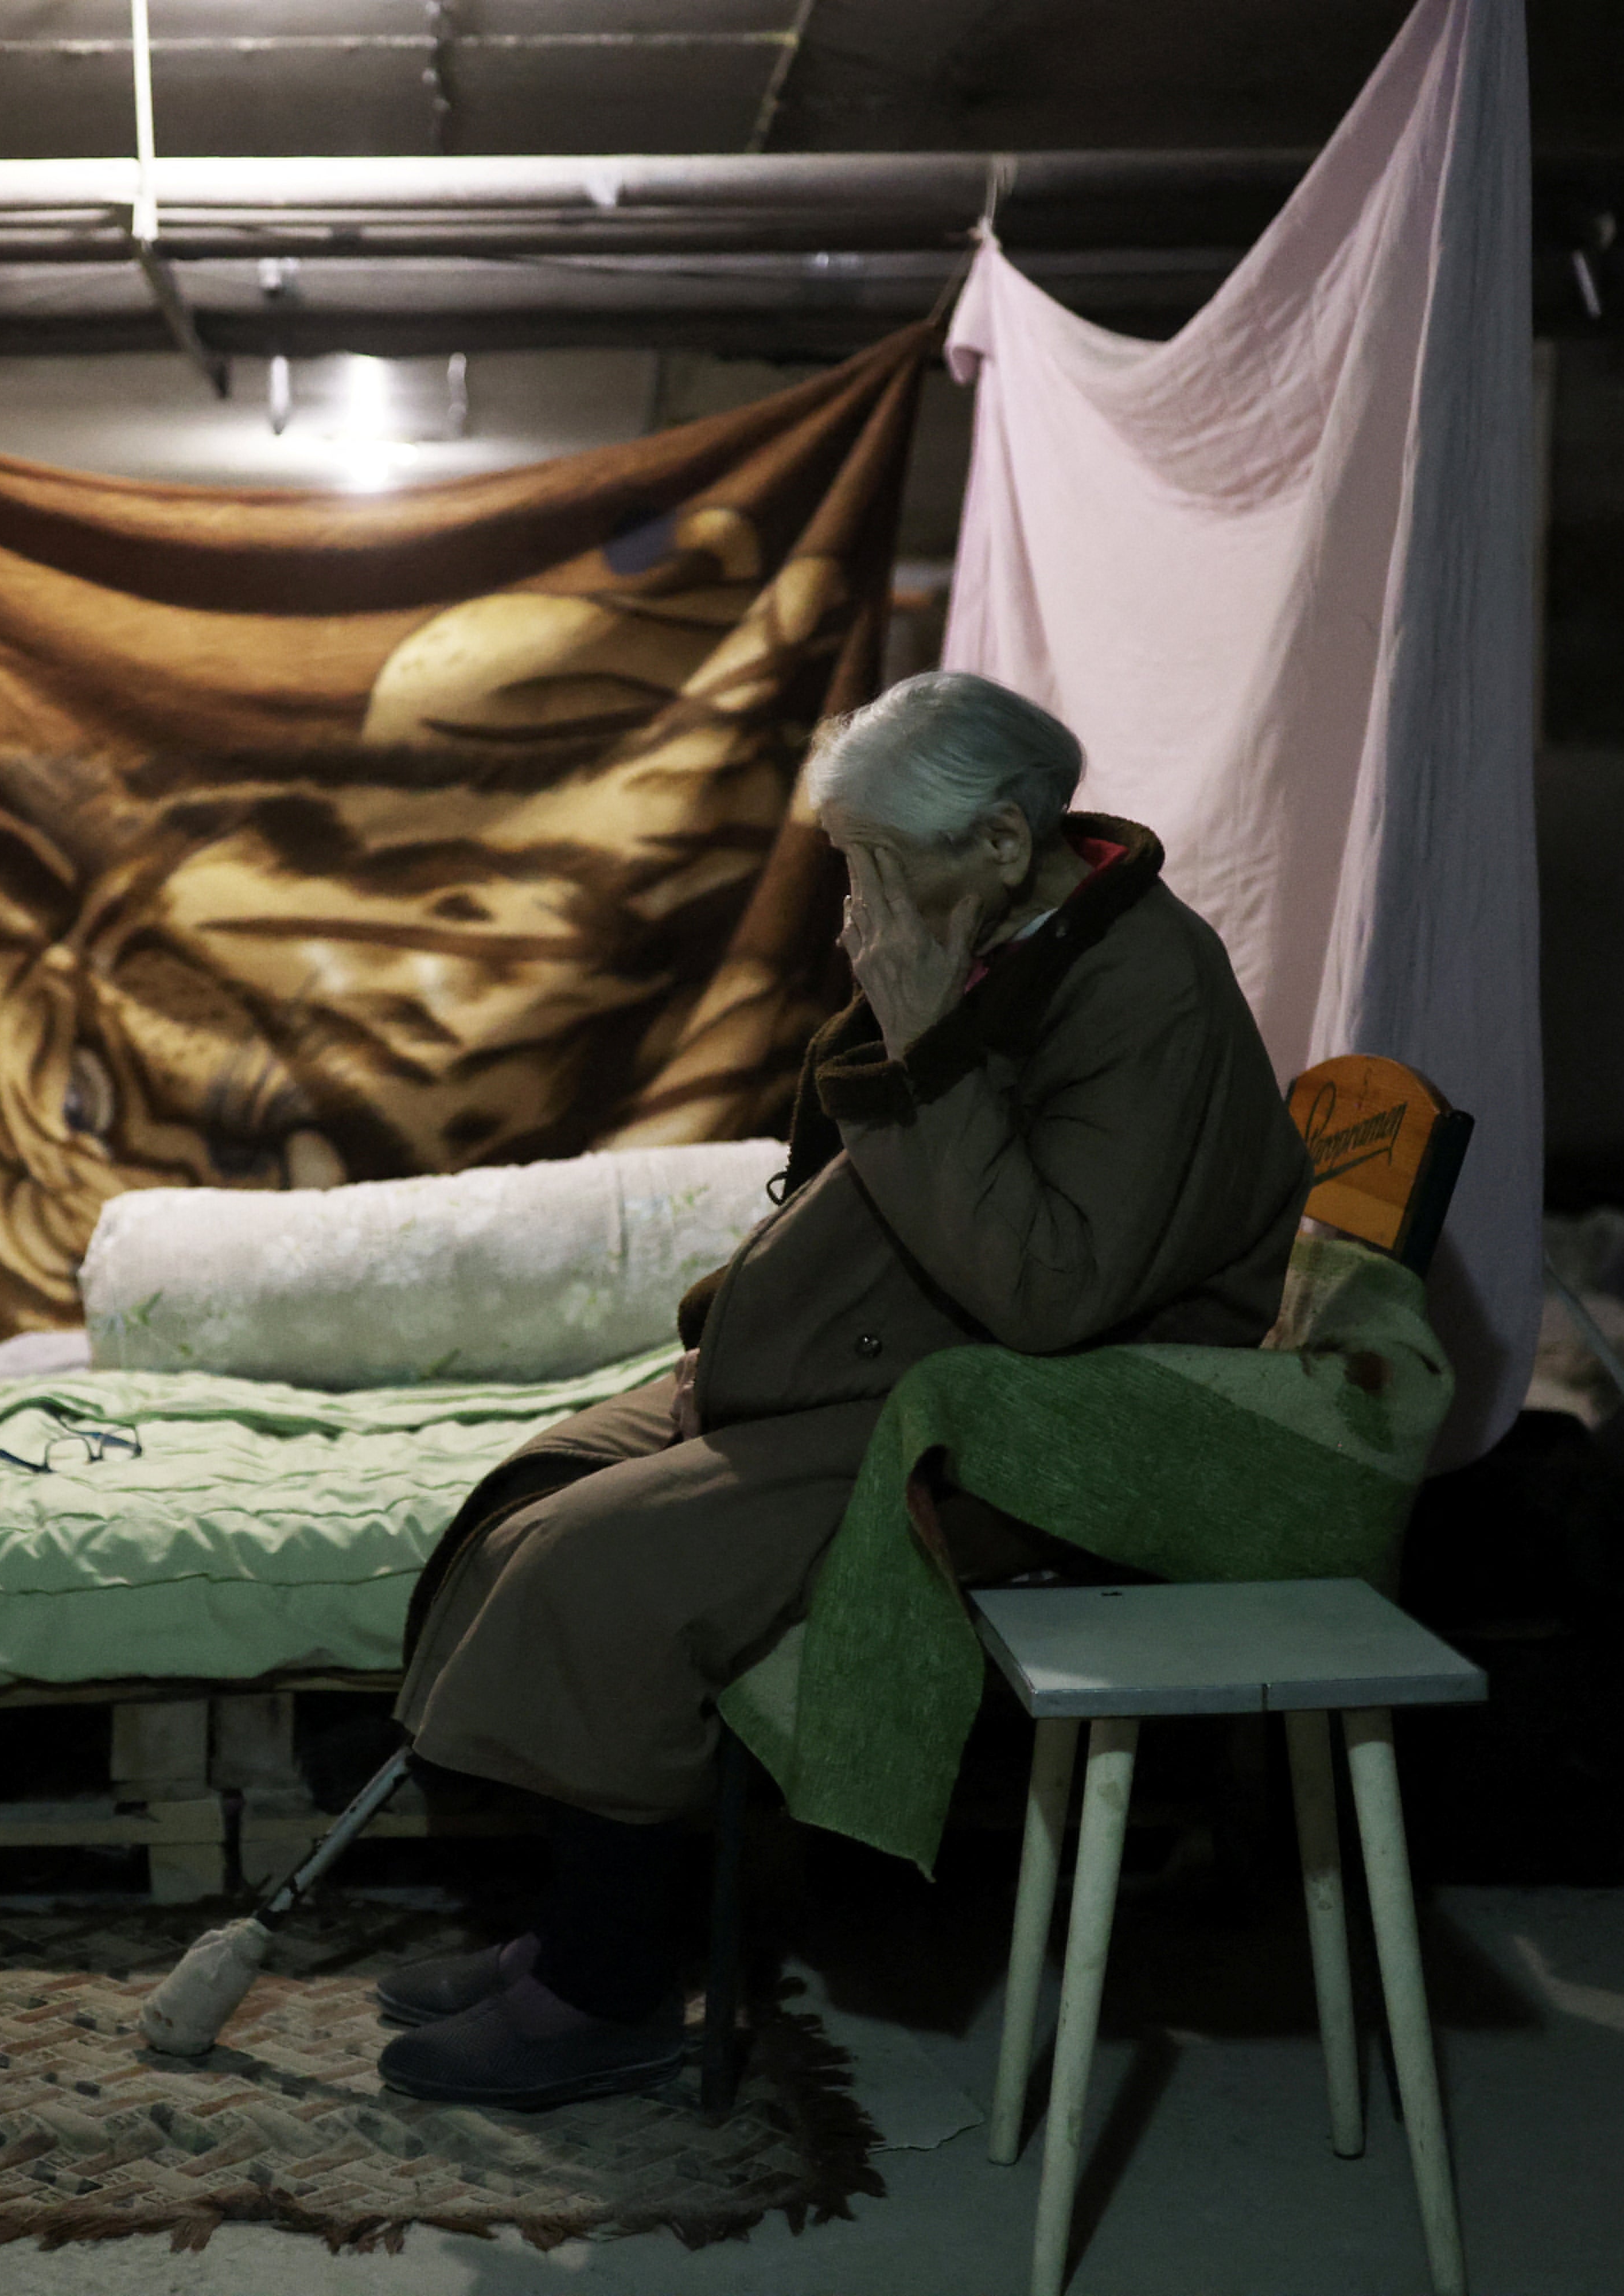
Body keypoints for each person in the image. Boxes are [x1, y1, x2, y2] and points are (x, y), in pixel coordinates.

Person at [377, 669, 1313, 2109]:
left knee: (605, 1565)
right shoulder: (1014, 928)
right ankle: (591, 1932)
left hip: (1054, 1422)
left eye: (877, 865)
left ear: (1003, 843)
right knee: (544, 1488)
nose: (853, 909)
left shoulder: (1148, 987)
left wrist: (926, 1044)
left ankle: (602, 1996)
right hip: (932, 1360)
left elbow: (1055, 1295)